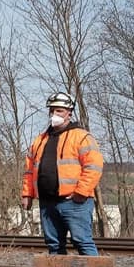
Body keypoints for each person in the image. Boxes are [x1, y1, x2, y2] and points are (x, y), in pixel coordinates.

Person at [21, 92, 104, 256]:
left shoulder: (81, 137)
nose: (54, 114)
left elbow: (93, 166)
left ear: (69, 112)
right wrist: (27, 194)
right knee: (54, 245)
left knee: (82, 242)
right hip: (48, 203)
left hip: (74, 202)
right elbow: (29, 170)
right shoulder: (40, 140)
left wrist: (81, 192)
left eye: (59, 110)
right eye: (52, 110)